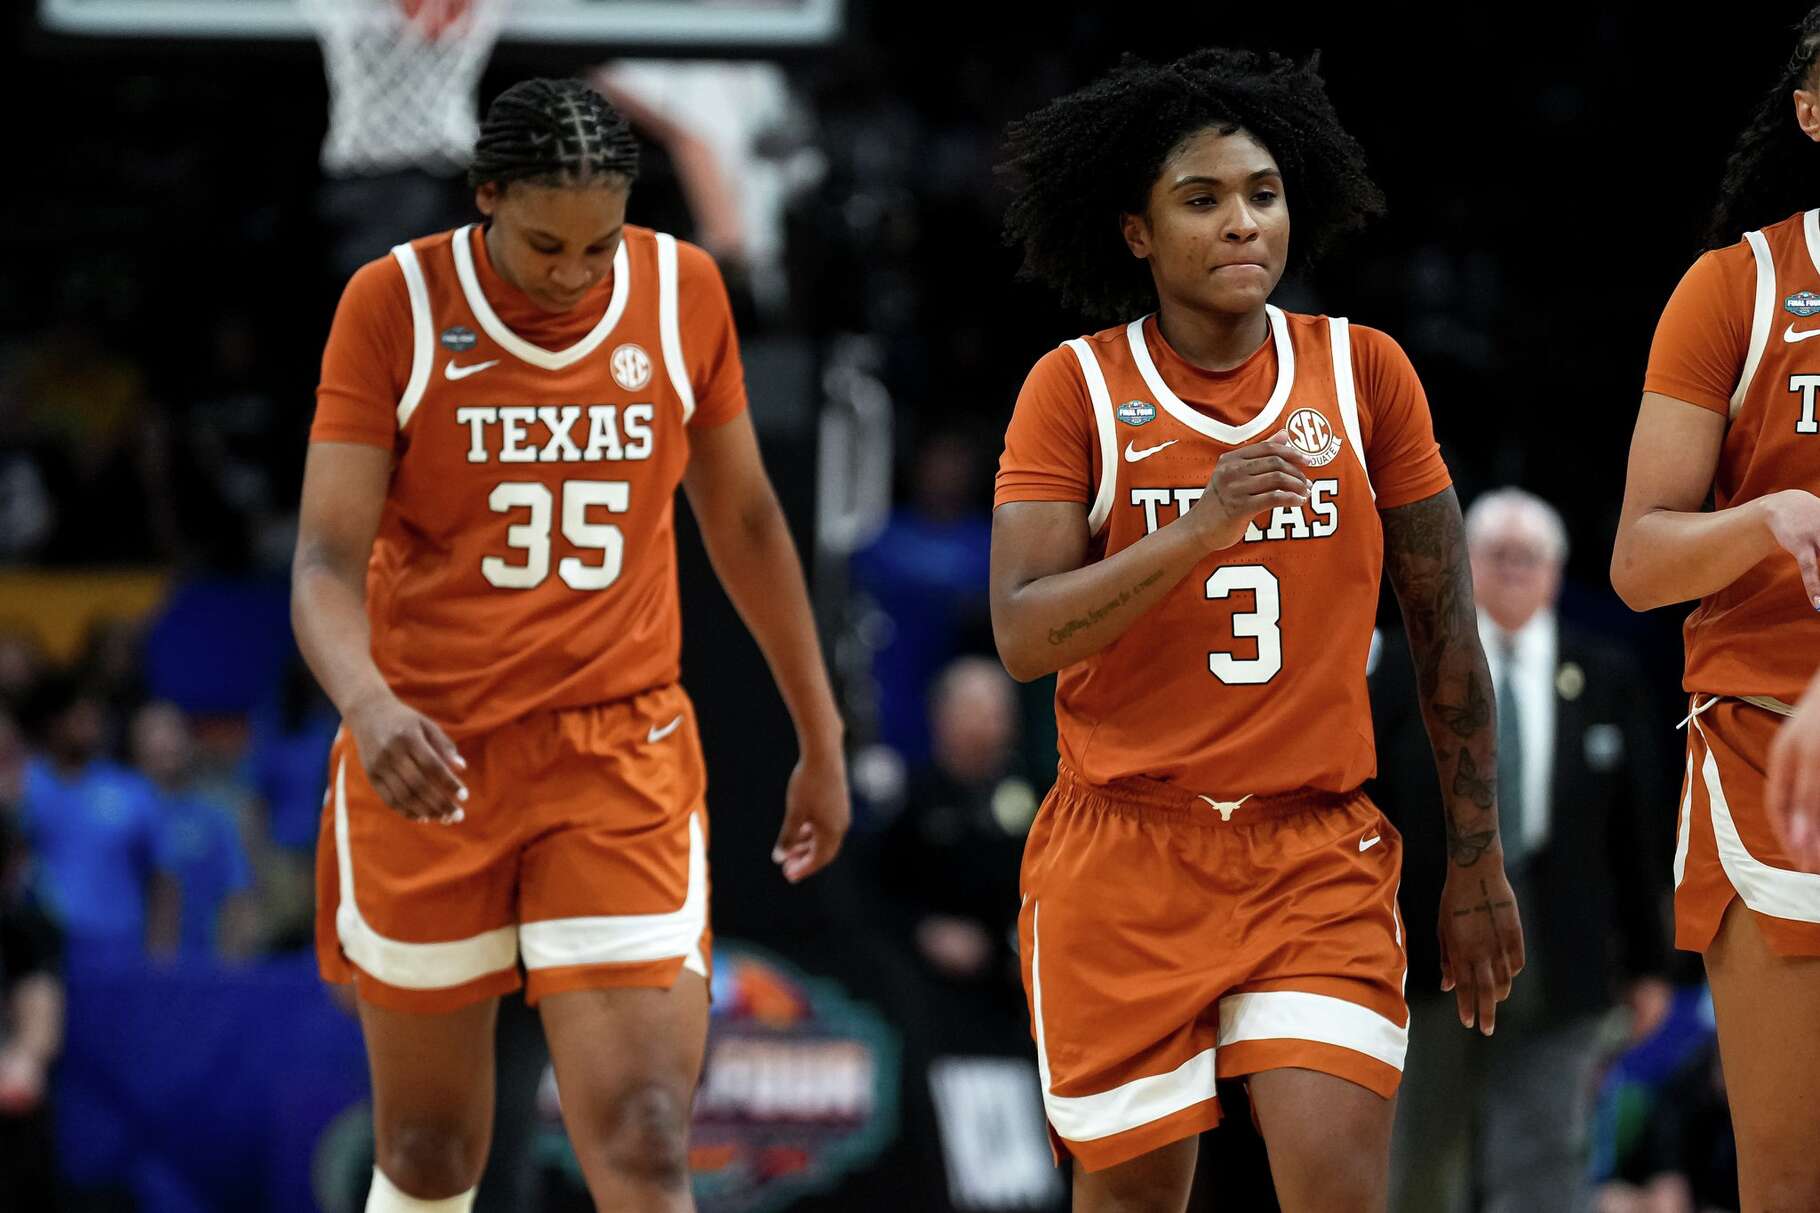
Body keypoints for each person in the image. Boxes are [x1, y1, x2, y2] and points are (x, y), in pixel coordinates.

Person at [293, 77, 849, 1213]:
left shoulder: (682, 290)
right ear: (484, 196)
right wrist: (368, 702)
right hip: (429, 752)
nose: (573, 273)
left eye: (599, 246)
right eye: (545, 244)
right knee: (433, 1149)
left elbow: (742, 519)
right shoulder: (392, 303)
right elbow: (321, 567)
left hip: (616, 753)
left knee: (647, 1137)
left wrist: (819, 724)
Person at [990, 49, 1524, 1212]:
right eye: (1203, 200)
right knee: (1129, 1199)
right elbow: (1023, 636)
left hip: (1312, 848)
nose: (1242, 222)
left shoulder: (1364, 372)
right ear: (1135, 233)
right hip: (1124, 847)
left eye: (1262, 194)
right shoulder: (1072, 390)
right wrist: (1200, 525)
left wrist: (1476, 861)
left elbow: (1443, 633)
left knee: (1336, 1189)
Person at [1611, 10, 1820, 1211]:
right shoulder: (1733, 289)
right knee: (1787, 1180)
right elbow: (1639, 561)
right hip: (1763, 751)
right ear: (1808, 112)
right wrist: (1762, 520)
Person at [1377, 488, 1673, 1213]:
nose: (1513, 568)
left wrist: (1648, 961)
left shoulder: (1603, 674)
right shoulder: (1399, 666)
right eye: (1495, 553)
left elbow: (1636, 829)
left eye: (1529, 556)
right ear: (1463, 564)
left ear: (1556, 570)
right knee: (1419, 1160)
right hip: (1426, 954)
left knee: (1544, 1158)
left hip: (1561, 948)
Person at [17, 674, 180, 966]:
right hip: (41, 946)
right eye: (79, 718)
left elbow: (163, 878)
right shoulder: (24, 784)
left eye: (95, 719)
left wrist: (160, 954)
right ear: (55, 722)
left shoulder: (133, 791)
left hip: (117, 947)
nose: (90, 728)